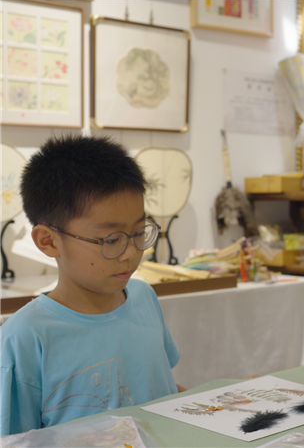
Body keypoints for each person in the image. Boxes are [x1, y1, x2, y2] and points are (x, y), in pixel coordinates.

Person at [1, 135, 184, 435]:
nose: (131, 253)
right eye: (111, 240)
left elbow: (161, 391)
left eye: (140, 232)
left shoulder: (143, 296)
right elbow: (14, 439)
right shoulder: (25, 336)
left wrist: (222, 399)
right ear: (49, 241)